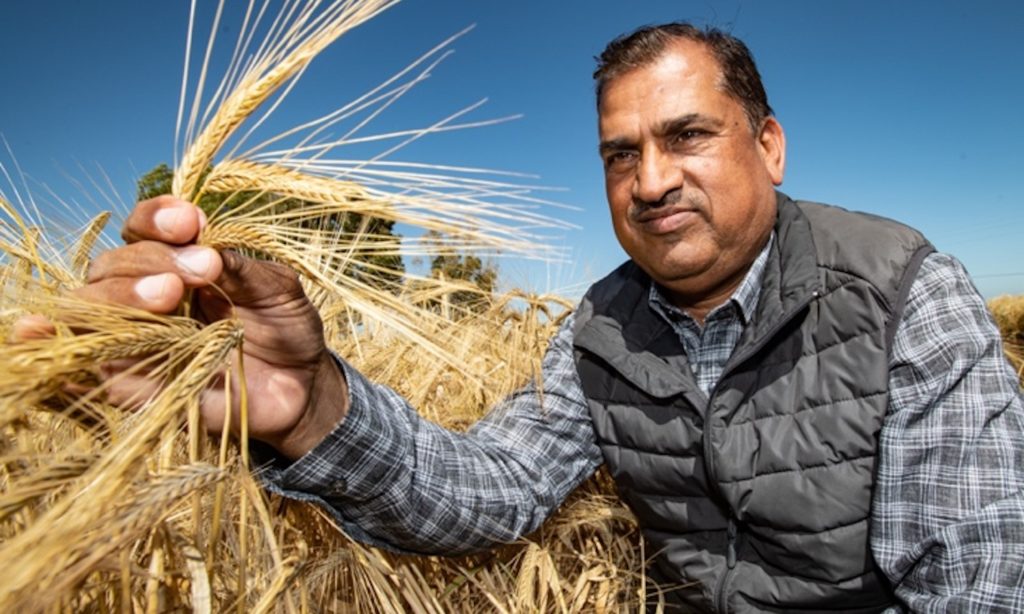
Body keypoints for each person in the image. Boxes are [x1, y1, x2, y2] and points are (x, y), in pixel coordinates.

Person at [61, 22, 1024, 612]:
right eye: (619, 154)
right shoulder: (599, 329)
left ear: (768, 146)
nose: (650, 182)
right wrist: (312, 408)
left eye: (688, 136)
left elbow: (975, 582)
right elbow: (496, 489)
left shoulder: (905, 293)